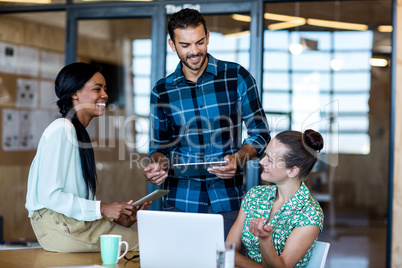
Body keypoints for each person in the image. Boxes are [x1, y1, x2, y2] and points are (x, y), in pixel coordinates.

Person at [143, 8, 270, 238]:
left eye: (200, 42)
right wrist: (157, 164)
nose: (194, 51)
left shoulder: (236, 77)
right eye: (185, 45)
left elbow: (261, 134)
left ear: (208, 37)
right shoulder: (162, 91)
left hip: (228, 200)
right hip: (181, 201)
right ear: (172, 45)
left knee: (226, 262)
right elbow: (159, 147)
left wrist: (239, 158)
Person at [25, 62, 150, 253]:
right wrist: (103, 209)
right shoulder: (62, 129)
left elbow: (77, 204)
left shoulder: (76, 131)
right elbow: (49, 195)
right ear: (75, 93)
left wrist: (118, 220)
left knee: (144, 239)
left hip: (72, 224)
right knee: (149, 245)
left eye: (105, 89)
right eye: (97, 89)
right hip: (59, 227)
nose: (105, 95)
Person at [226, 129, 325, 267]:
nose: (262, 161)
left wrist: (265, 239)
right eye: (265, 155)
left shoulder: (310, 214)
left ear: (292, 171)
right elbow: (227, 252)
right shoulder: (255, 195)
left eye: (270, 159)